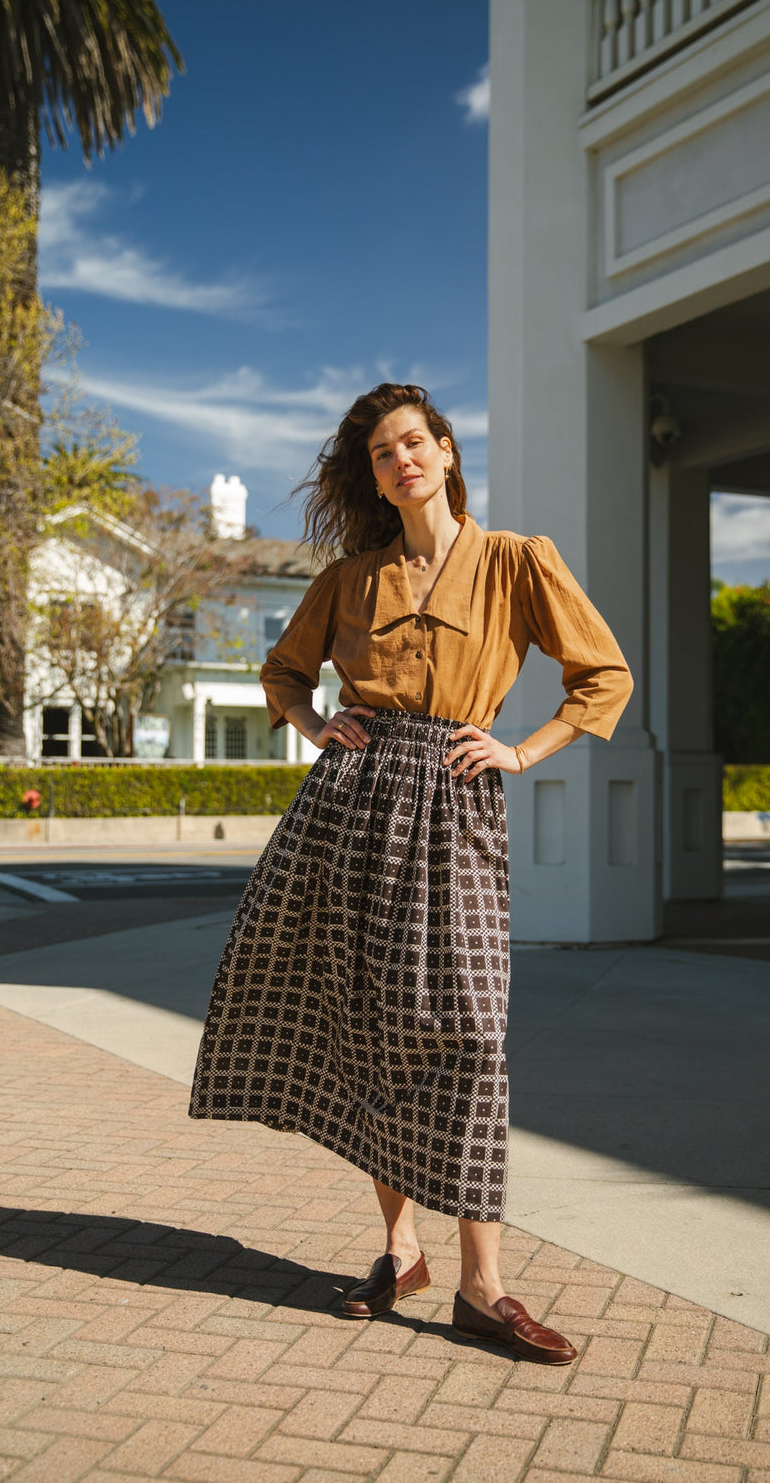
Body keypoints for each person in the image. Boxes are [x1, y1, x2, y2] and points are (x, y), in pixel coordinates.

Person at [189, 382, 632, 1363]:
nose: (402, 461)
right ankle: (401, 1250)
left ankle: (486, 1286)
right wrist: (313, 727)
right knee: (368, 1029)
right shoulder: (351, 578)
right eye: (383, 453)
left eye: (414, 442)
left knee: (472, 1033)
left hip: (455, 799)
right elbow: (284, 673)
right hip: (351, 801)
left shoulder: (517, 563)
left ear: (445, 451)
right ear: (376, 477)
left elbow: (602, 674)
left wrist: (523, 750)